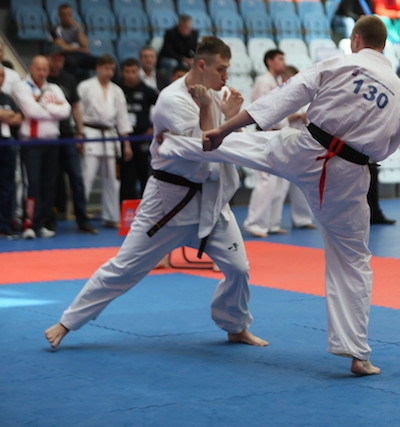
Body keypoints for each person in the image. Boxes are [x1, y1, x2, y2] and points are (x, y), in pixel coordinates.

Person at [157, 16, 400, 375]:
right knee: (353, 259)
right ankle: (357, 353)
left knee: (243, 145)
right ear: (383, 45)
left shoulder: (340, 63)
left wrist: (224, 128)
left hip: (306, 149)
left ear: (356, 39)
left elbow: (284, 96)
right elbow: (389, 145)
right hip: (349, 174)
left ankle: (171, 145)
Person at [44, 36, 267, 351]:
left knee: (239, 269)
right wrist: (213, 110)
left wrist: (229, 117)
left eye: (227, 69)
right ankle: (67, 322)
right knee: (125, 268)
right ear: (201, 65)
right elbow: (204, 149)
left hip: (211, 202)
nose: (226, 76)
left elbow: (234, 143)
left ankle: (235, 325)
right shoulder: (172, 99)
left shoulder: (218, 95)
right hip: (168, 205)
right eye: (221, 68)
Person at [13, 56, 71, 239]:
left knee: (48, 184)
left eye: (45, 69)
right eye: (38, 68)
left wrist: (44, 106)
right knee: (33, 184)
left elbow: (66, 111)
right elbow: (31, 111)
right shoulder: (23, 87)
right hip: (31, 143)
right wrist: (53, 108)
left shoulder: (54, 88)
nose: (41, 72)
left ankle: (42, 223)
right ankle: (28, 224)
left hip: (51, 142)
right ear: (31, 68)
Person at [46, 45, 98, 235]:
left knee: (76, 177)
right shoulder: (43, 80)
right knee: (51, 179)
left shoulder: (68, 79)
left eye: (60, 59)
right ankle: (50, 219)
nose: (57, 62)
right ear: (48, 59)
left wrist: (80, 132)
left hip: (67, 134)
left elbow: (76, 107)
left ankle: (82, 219)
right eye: (54, 59)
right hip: (49, 136)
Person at [78, 55, 133, 228]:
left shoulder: (117, 90)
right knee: (86, 177)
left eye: (112, 69)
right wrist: (79, 135)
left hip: (110, 136)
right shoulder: (85, 86)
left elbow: (123, 119)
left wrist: (126, 144)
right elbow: (77, 112)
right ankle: (81, 217)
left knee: (112, 180)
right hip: (90, 133)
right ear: (98, 68)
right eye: (106, 68)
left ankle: (111, 216)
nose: (109, 72)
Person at [244, 49, 290, 238]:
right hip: (266, 134)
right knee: (266, 181)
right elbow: (260, 108)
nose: (283, 62)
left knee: (280, 183)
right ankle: (255, 223)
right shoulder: (263, 81)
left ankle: (272, 223)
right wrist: (268, 129)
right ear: (270, 61)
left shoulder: (277, 82)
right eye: (280, 59)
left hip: (279, 134)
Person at [281, 66, 316, 230]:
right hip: (283, 141)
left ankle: (303, 219)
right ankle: (270, 223)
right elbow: (279, 118)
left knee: (302, 183)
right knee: (279, 186)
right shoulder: (281, 94)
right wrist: (296, 116)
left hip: (300, 141)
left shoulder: (302, 96)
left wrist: (304, 117)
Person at [118, 58, 158, 201]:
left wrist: (154, 127)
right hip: (124, 139)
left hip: (142, 139)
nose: (130, 75)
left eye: (133, 71)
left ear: (138, 72)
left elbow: (164, 107)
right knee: (126, 178)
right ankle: (126, 209)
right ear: (122, 72)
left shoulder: (146, 90)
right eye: (127, 72)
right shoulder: (117, 89)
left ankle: (145, 207)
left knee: (144, 177)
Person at [0, 64, 23, 239]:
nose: (0, 79)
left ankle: (5, 224)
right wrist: (7, 115)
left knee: (8, 185)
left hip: (7, 145)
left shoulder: (7, 97)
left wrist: (4, 114)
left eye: (2, 75)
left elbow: (19, 118)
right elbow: (9, 115)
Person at [49, 4, 97, 77]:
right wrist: (80, 49)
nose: (67, 17)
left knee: (102, 62)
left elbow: (85, 44)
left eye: (69, 14)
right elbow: (63, 47)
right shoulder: (55, 30)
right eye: (64, 14)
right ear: (59, 16)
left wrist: (77, 26)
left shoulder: (78, 29)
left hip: (81, 55)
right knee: (71, 62)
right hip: (67, 55)